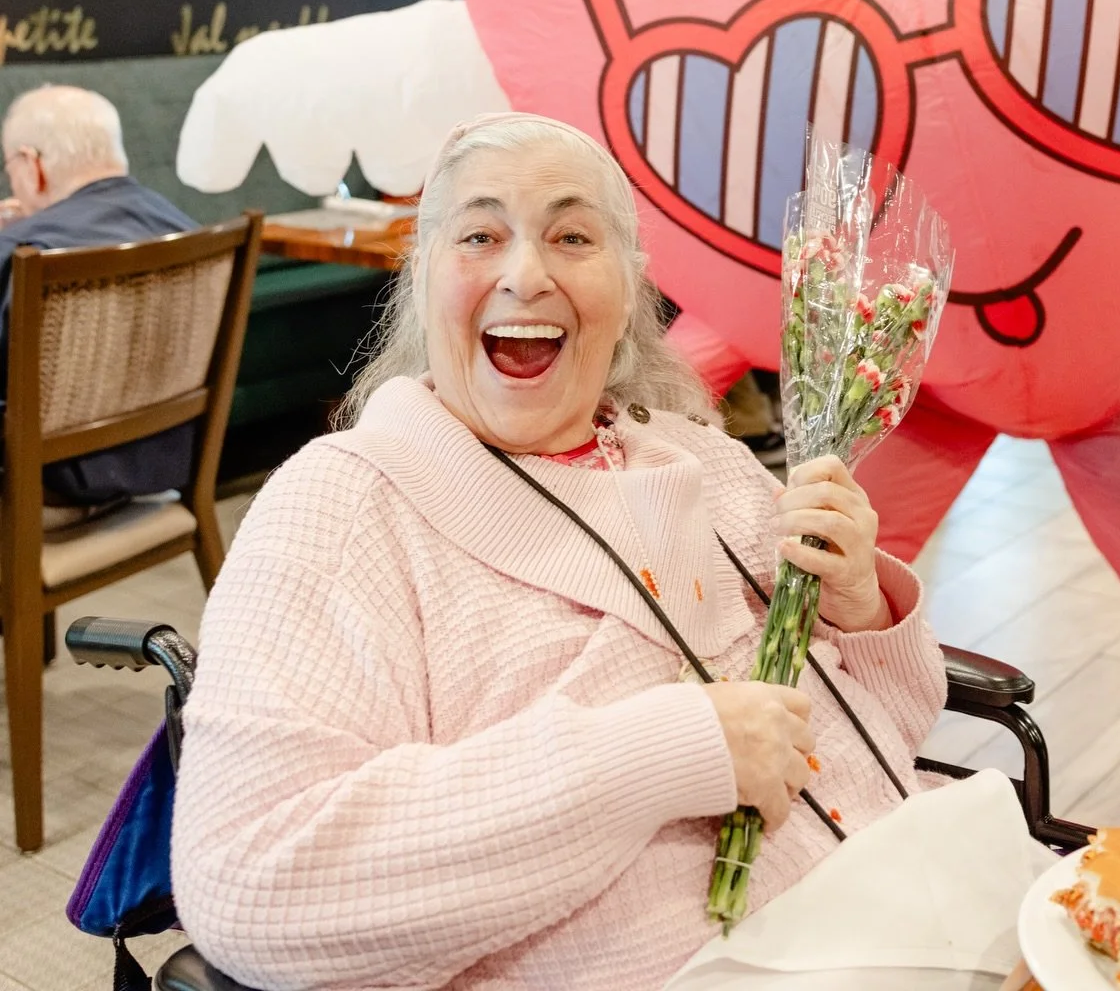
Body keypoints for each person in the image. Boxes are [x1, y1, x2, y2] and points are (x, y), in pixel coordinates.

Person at [171, 113, 990, 991]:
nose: (526, 275)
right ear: (421, 280)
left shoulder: (702, 458)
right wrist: (661, 752)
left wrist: (861, 611)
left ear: (631, 286)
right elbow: (250, 883)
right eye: (481, 234)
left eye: (572, 236)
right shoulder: (341, 508)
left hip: (931, 900)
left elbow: (899, 731)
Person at [0, 85, 197, 503]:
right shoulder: (186, 229)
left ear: (32, 165)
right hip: (164, 459)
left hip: (48, 482)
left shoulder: (22, 251)